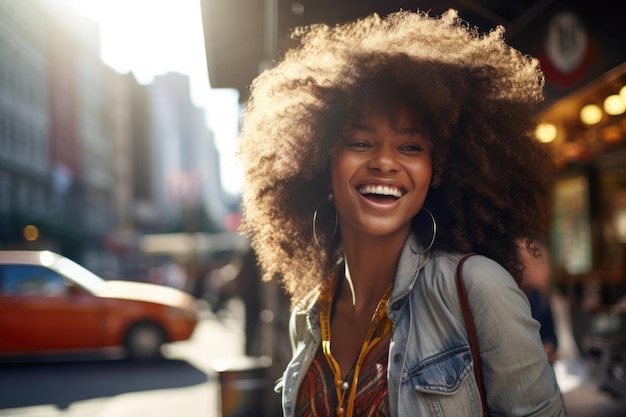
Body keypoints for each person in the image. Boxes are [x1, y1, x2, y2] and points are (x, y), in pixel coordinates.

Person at [237, 8, 566, 417]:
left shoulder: (476, 286)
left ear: (439, 171)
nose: (385, 162)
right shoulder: (306, 314)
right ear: (320, 163)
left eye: (411, 147)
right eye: (360, 142)